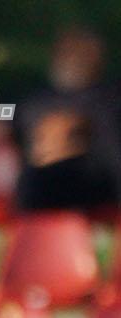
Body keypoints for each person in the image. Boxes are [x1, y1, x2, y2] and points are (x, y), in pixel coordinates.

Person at [14, 27, 121, 211]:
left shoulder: (111, 99)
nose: (72, 59)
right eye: (67, 53)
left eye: (81, 53)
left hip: (102, 197)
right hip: (41, 200)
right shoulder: (34, 103)